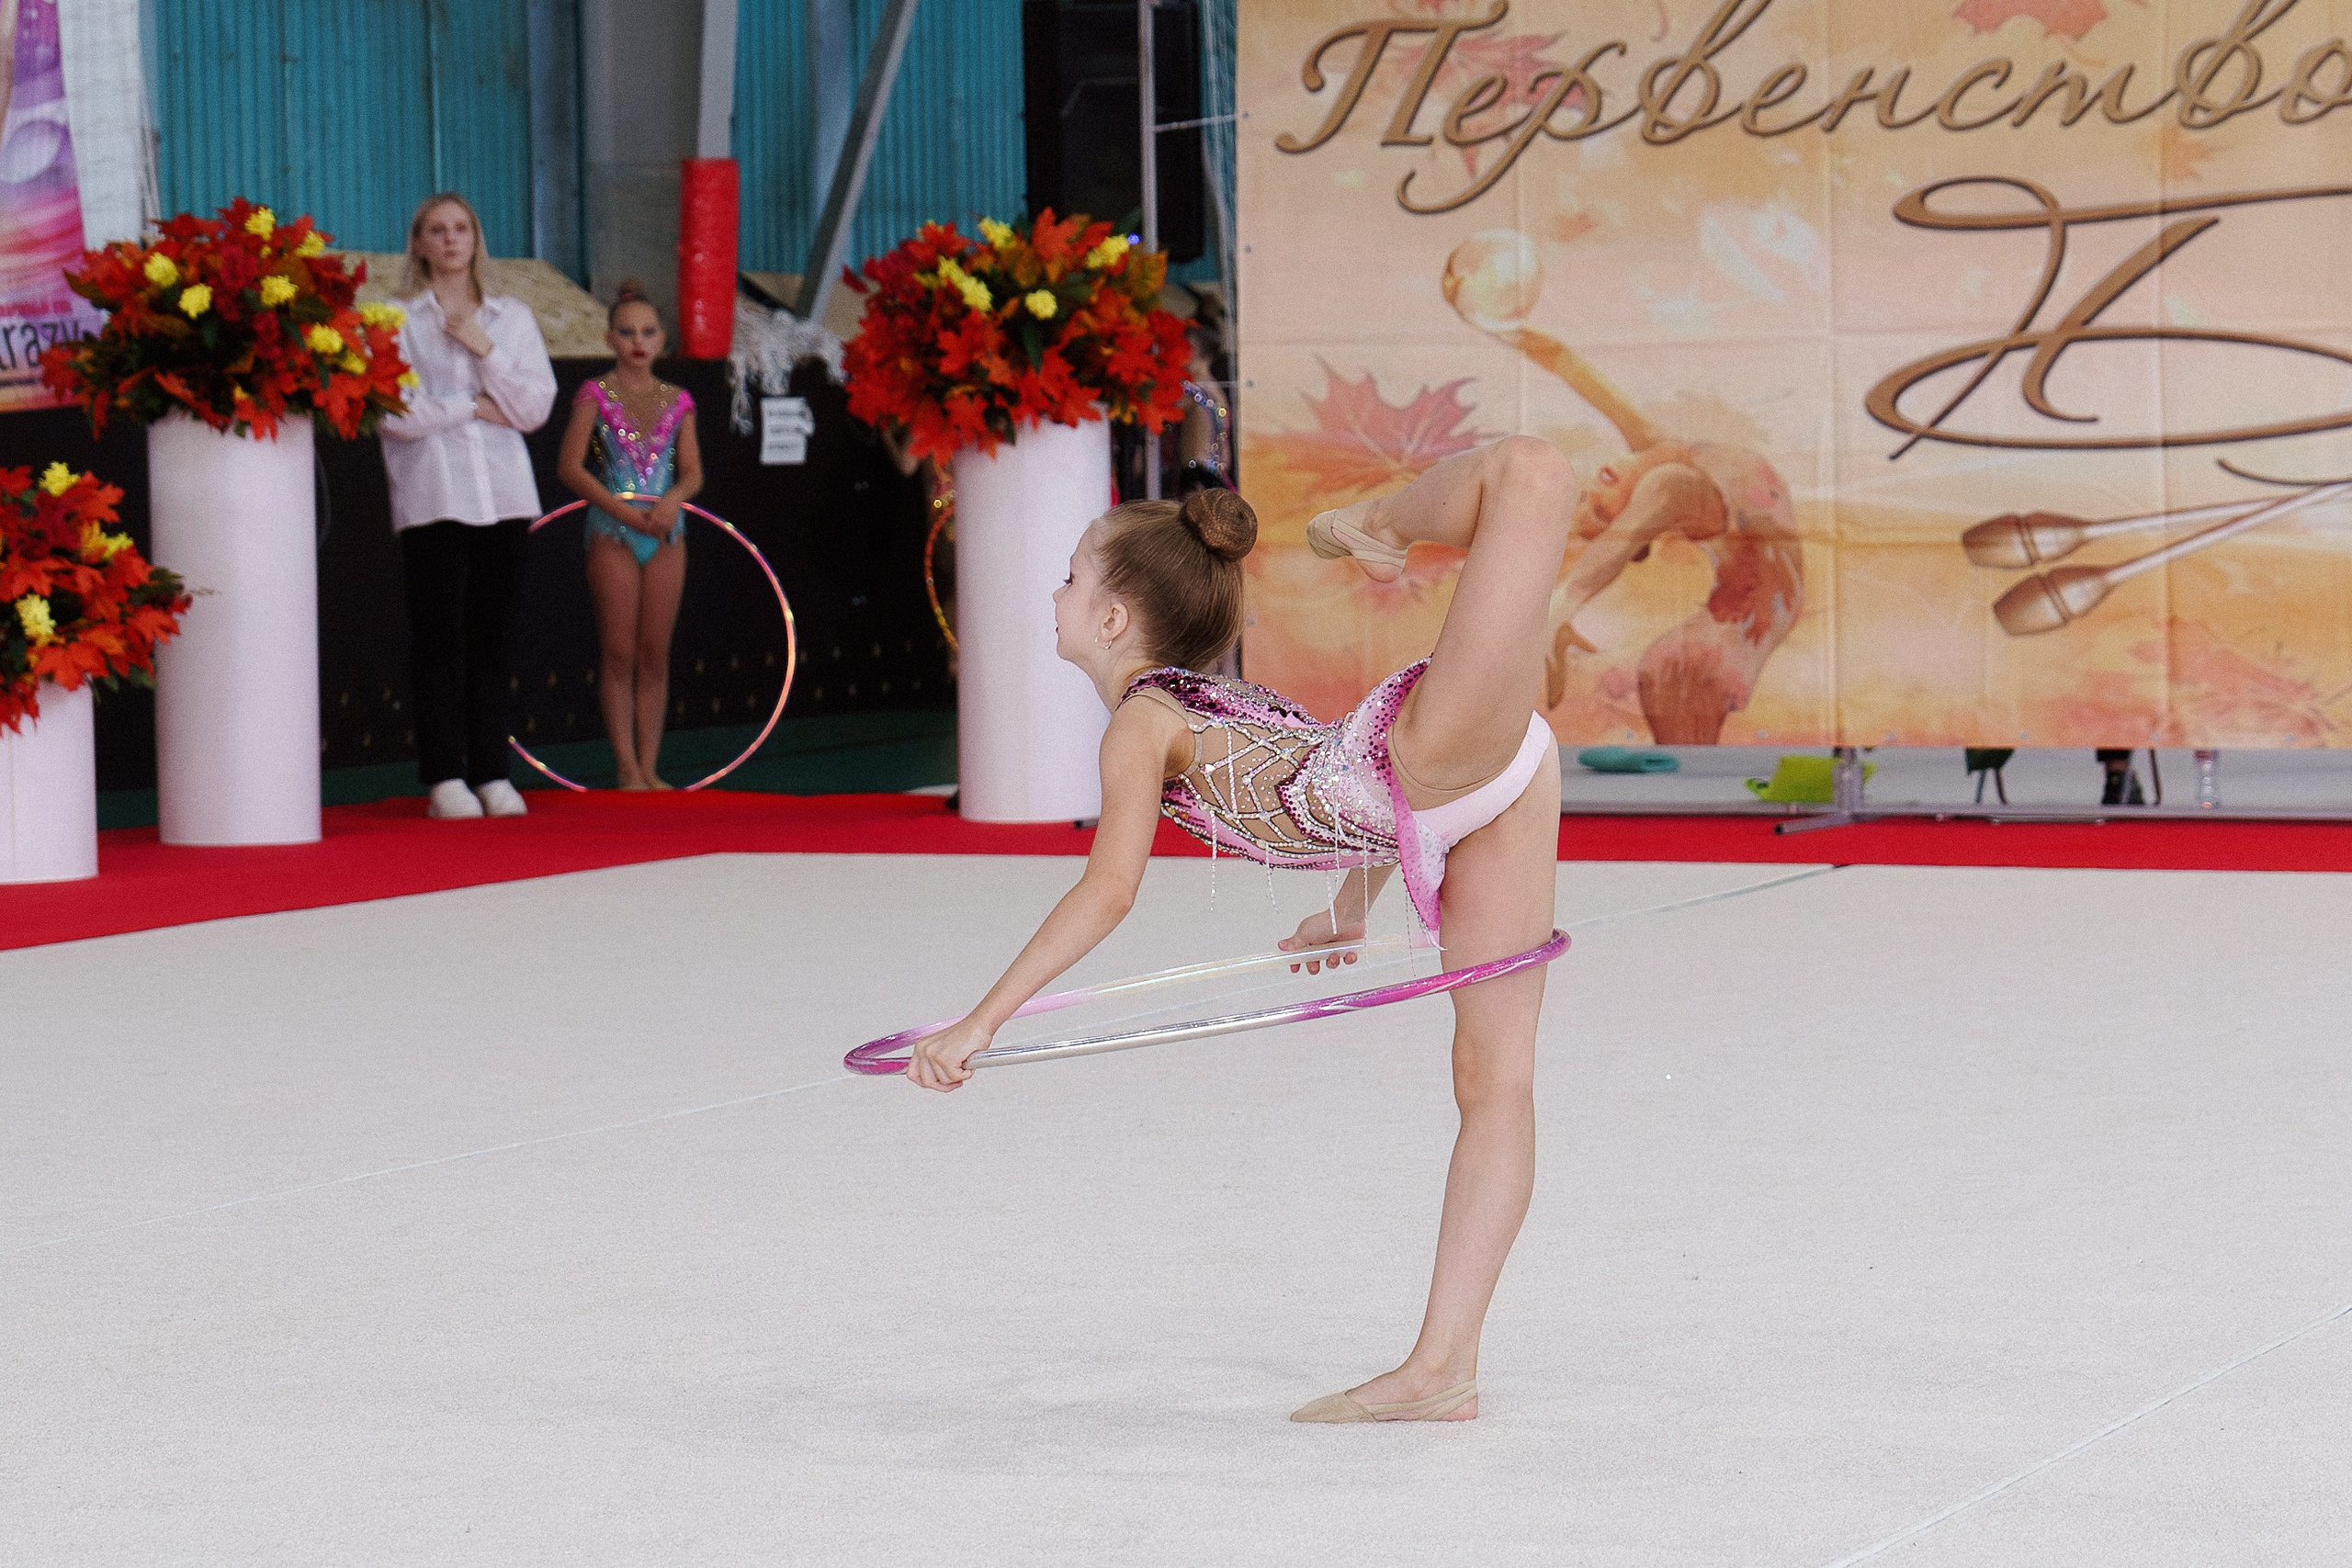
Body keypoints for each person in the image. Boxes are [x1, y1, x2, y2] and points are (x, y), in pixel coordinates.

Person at [909, 437, 1574, 1424]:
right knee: (1492, 1083)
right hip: (1463, 798)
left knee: (1531, 472)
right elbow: (1345, 789)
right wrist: (1346, 911)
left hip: (1438, 758)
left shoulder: (1142, 720)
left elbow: (1108, 890)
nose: (1054, 595)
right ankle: (1443, 1371)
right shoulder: (1193, 701)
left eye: (1068, 577)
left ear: (1113, 617)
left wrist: (980, 1022)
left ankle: (1385, 528)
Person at [379, 192, 557, 819]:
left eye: (460, 228)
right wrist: (470, 406)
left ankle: (491, 770)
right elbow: (395, 411)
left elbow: (534, 408)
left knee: (494, 639)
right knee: (439, 640)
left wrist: (483, 348)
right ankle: (443, 775)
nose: (450, 239)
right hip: (434, 497)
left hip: (505, 497)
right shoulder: (397, 320)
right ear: (419, 244)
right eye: (436, 229)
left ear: (476, 240)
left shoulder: (511, 319)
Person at [554, 283, 701, 790]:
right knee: (618, 651)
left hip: (665, 532)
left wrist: (671, 499)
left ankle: (652, 765)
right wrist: (622, 510)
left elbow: (692, 473)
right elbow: (570, 468)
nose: (638, 341)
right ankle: (626, 766)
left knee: (655, 652)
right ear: (610, 339)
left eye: (648, 331)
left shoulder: (678, 400)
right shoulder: (594, 394)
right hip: (613, 532)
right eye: (627, 332)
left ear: (662, 339)